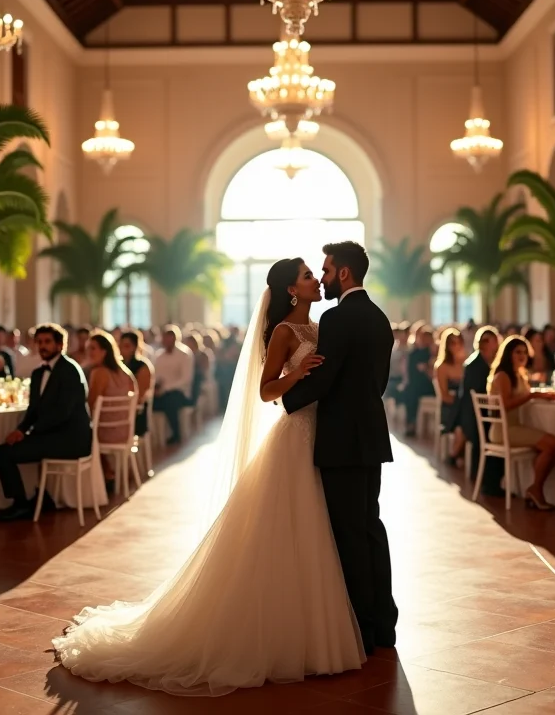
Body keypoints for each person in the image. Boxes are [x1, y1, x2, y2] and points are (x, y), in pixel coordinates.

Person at [53, 254, 368, 693]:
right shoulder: (282, 332)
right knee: (285, 530)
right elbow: (265, 391)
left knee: (313, 531)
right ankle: (280, 638)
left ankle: (308, 632)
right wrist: (295, 373)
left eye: (317, 274)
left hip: (320, 435)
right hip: (295, 434)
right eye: (308, 276)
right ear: (290, 290)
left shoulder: (321, 328)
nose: (317, 279)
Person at [284, 241, 397, 654]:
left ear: (344, 273)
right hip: (370, 436)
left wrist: (286, 401)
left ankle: (362, 629)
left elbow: (325, 380)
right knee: (371, 528)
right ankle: (384, 624)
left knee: (349, 535)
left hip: (341, 441)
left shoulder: (336, 317)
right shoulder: (380, 318)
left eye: (327, 271)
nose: (324, 278)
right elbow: (377, 383)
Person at [0, 324, 92, 522]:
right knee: (3, 450)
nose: (43, 346)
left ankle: (21, 505)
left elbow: (63, 413)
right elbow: (33, 411)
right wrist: (21, 429)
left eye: (47, 342)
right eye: (40, 342)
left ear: (60, 345)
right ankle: (39, 497)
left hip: (71, 439)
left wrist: (31, 432)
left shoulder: (71, 371)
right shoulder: (38, 374)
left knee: (2, 453)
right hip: (50, 435)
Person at [488, 336, 555, 510]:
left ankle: (535, 489)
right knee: (553, 444)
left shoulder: (519, 374)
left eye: (524, 352)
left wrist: (541, 395)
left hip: (514, 427)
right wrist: (532, 395)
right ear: (508, 354)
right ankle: (536, 489)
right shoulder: (503, 376)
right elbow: (505, 405)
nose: (522, 355)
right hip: (504, 430)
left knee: (550, 444)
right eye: (517, 352)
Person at [87, 330, 138, 493]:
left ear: (104, 351)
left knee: (82, 432)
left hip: (105, 432)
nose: (89, 352)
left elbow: (90, 404)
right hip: (126, 430)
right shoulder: (126, 372)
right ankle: (107, 473)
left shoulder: (99, 372)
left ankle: (102, 478)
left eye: (93, 348)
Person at [459, 326, 502, 496]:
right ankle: (490, 481)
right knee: (497, 431)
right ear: (486, 343)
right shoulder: (477, 365)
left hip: (475, 414)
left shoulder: (481, 361)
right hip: (475, 417)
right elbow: (480, 393)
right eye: (494, 342)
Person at [153, 327, 194, 445]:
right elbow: (157, 375)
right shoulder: (159, 356)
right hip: (161, 392)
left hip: (180, 392)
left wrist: (166, 388)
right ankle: (152, 435)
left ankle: (176, 434)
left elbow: (186, 379)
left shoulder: (184, 354)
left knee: (170, 400)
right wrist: (157, 387)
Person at [434, 328, 466, 465]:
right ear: (446, 345)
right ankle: (454, 455)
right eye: (453, 343)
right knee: (462, 427)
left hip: (463, 409)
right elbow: (445, 396)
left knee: (468, 422)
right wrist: (462, 401)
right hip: (450, 410)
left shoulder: (466, 364)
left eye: (459, 342)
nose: (456, 346)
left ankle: (457, 455)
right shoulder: (441, 366)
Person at [119, 330, 155, 441]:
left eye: (126, 346)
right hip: (120, 409)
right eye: (120, 345)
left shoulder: (143, 367)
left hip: (136, 413)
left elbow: (140, 396)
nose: (122, 349)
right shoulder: (118, 365)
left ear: (134, 347)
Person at [404, 326, 435, 437]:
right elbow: (409, 372)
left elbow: (432, 374)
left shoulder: (433, 353)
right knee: (409, 391)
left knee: (412, 391)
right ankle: (411, 422)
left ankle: (412, 423)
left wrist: (426, 368)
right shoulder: (413, 354)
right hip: (415, 384)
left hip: (429, 385)